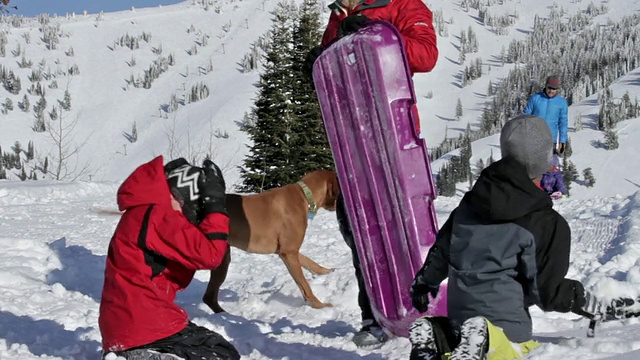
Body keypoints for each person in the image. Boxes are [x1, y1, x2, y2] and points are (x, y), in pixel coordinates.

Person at [407, 115, 618, 360]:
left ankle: (438, 333)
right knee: (513, 351)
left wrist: (425, 281)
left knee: (456, 345)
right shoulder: (545, 223)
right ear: (545, 158)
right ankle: (489, 337)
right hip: (507, 330)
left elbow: (443, 249)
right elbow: (547, 292)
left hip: (459, 321)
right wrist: (586, 303)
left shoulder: (469, 204)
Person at [304, 0, 439, 348]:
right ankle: (377, 313)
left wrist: (369, 32)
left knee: (405, 228)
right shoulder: (338, 16)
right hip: (352, 144)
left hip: (392, 138)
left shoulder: (404, 5)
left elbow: (425, 55)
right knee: (360, 231)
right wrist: (317, 63)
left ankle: (429, 309)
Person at [99, 156, 240, 360]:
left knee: (219, 350)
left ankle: (131, 353)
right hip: (143, 323)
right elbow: (211, 256)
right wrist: (215, 206)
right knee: (219, 356)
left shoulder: (146, 211)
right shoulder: (158, 215)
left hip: (135, 322)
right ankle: (134, 355)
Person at [523, 75, 569, 155]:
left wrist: (562, 142)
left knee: (549, 165)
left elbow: (563, 124)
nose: (551, 91)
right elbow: (525, 117)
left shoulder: (561, 103)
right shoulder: (535, 98)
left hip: (550, 140)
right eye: (549, 88)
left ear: (557, 89)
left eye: (554, 89)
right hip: (534, 139)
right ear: (546, 86)